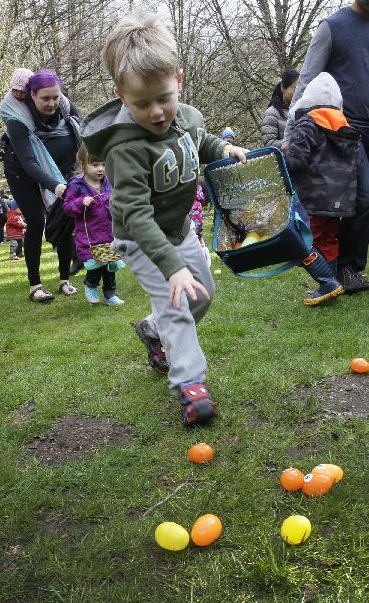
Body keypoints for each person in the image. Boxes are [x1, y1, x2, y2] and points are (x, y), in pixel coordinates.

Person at [82, 14, 249, 426]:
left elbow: (197, 139)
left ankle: (154, 332)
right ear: (121, 94)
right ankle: (190, 384)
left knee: (203, 294)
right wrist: (172, 268)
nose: (157, 112)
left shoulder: (185, 116)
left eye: (164, 97)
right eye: (142, 104)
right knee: (176, 304)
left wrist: (221, 150)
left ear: (179, 79)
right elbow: (136, 215)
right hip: (141, 239)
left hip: (179, 230)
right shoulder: (126, 149)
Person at [284, 0, 369, 294]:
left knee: (368, 202)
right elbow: (306, 79)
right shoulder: (331, 27)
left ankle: (345, 270)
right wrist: (291, 131)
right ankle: (335, 269)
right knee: (353, 201)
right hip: (338, 132)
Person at [0, 69, 82, 302]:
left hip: (60, 169)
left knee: (65, 216)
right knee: (36, 221)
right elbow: (29, 162)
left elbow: (85, 132)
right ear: (31, 96)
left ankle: (65, 280)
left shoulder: (66, 108)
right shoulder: (18, 120)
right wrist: (56, 186)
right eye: (45, 98)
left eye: (55, 97)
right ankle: (35, 285)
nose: (52, 103)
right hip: (22, 172)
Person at [283, 72, 360, 303]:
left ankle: (328, 283)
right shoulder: (346, 127)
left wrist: (283, 159)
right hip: (341, 198)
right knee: (328, 239)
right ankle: (331, 284)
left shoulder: (308, 123)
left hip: (313, 198)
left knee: (304, 242)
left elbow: (296, 162)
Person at [62, 145, 125, 306]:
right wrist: (80, 201)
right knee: (96, 265)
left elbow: (117, 200)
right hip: (89, 236)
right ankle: (90, 285)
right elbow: (67, 207)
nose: (101, 169)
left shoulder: (107, 182)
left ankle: (110, 294)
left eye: (103, 164)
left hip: (109, 234)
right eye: (95, 165)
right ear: (83, 164)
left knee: (110, 266)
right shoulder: (76, 185)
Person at [261, 68, 300, 149]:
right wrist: (296, 140)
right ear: (283, 87)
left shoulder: (302, 109)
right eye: (295, 89)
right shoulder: (272, 113)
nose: (298, 93)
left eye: (300, 89)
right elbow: (269, 145)